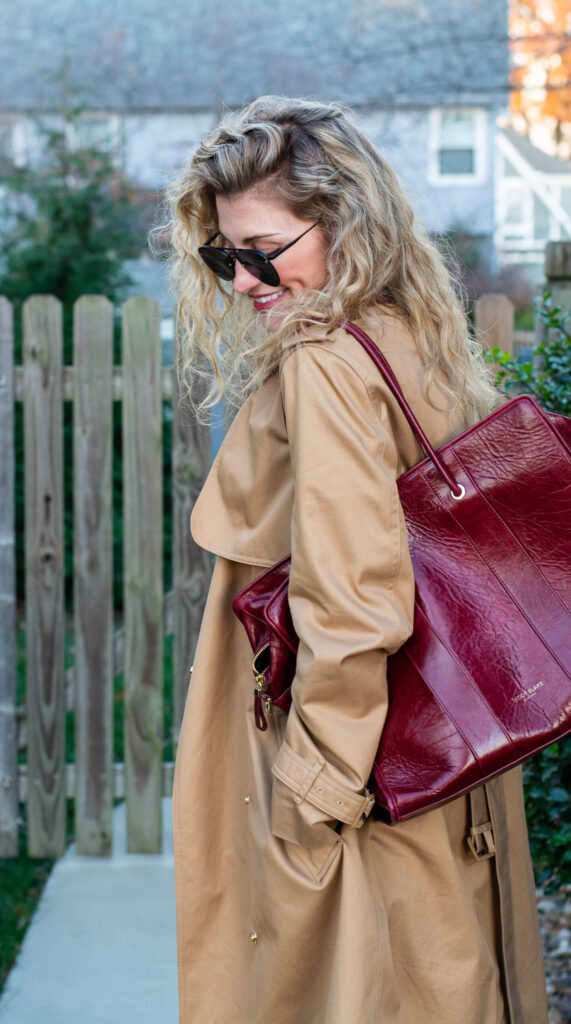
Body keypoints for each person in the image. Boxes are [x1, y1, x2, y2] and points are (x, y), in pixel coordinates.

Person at [163, 96, 547, 1024]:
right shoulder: (406, 332)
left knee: (346, 987)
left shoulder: (325, 361)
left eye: (264, 247)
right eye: (225, 254)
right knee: (435, 972)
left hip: (356, 765)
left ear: (341, 222)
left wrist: (310, 800)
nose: (244, 277)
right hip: (431, 743)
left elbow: (354, 597)